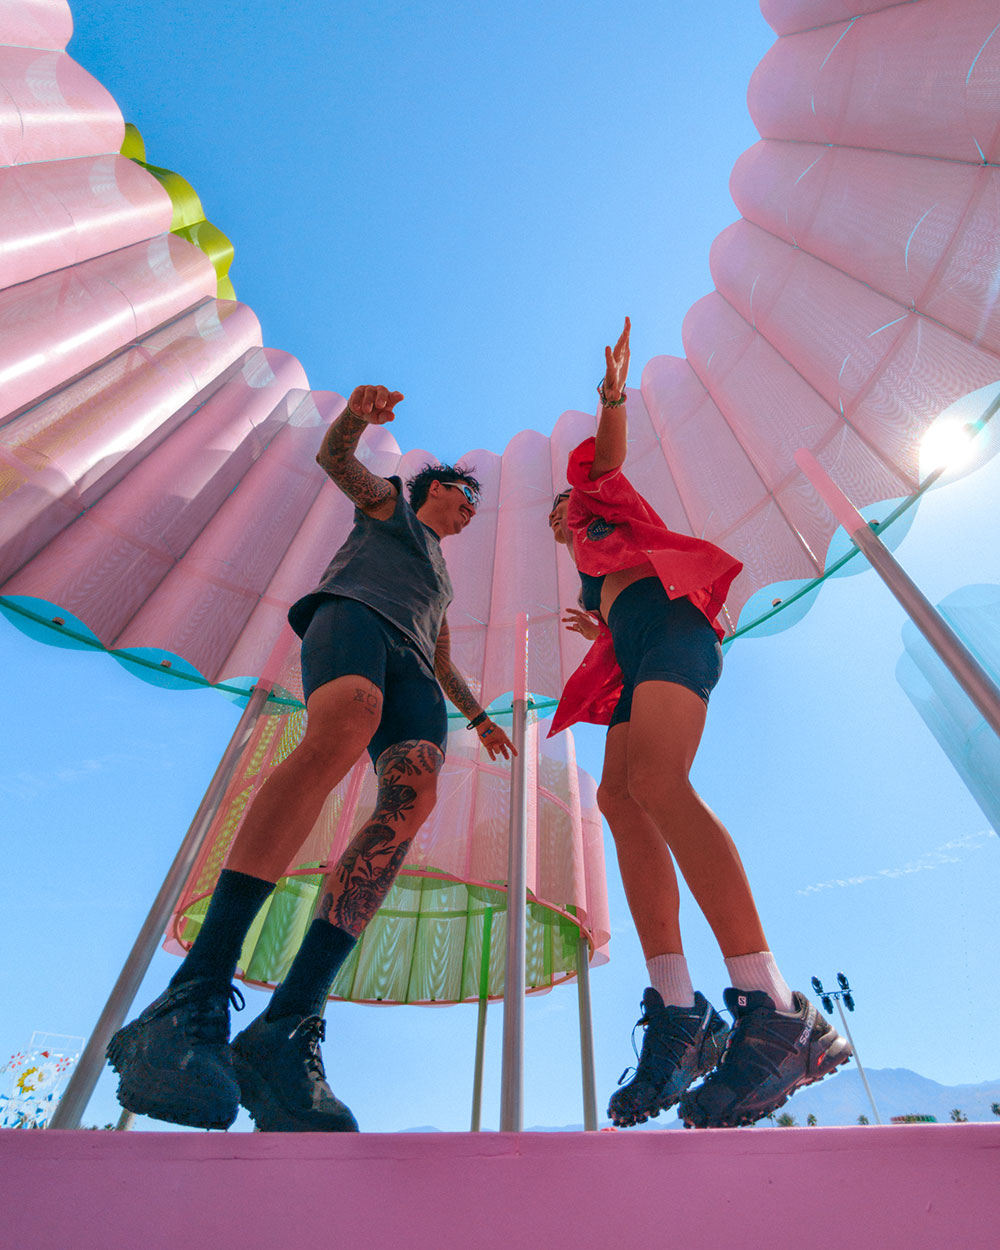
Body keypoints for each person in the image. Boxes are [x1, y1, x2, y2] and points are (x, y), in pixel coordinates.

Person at [107, 384, 515, 1132]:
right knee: (344, 727)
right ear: (438, 489)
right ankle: (193, 993)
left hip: (415, 668)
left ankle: (287, 1027)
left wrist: (481, 717)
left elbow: (445, 657)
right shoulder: (390, 504)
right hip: (354, 618)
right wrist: (357, 417)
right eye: (463, 499)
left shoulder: (444, 579)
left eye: (473, 509)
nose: (468, 512)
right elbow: (335, 459)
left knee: (412, 799)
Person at [548, 320, 850, 1129]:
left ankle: (772, 1003)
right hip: (637, 645)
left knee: (656, 781)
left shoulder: (592, 504)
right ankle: (681, 1014)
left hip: (673, 628)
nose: (561, 521)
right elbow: (616, 600)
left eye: (562, 510)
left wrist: (612, 396)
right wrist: (603, 627)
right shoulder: (593, 576)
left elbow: (604, 460)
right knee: (619, 798)